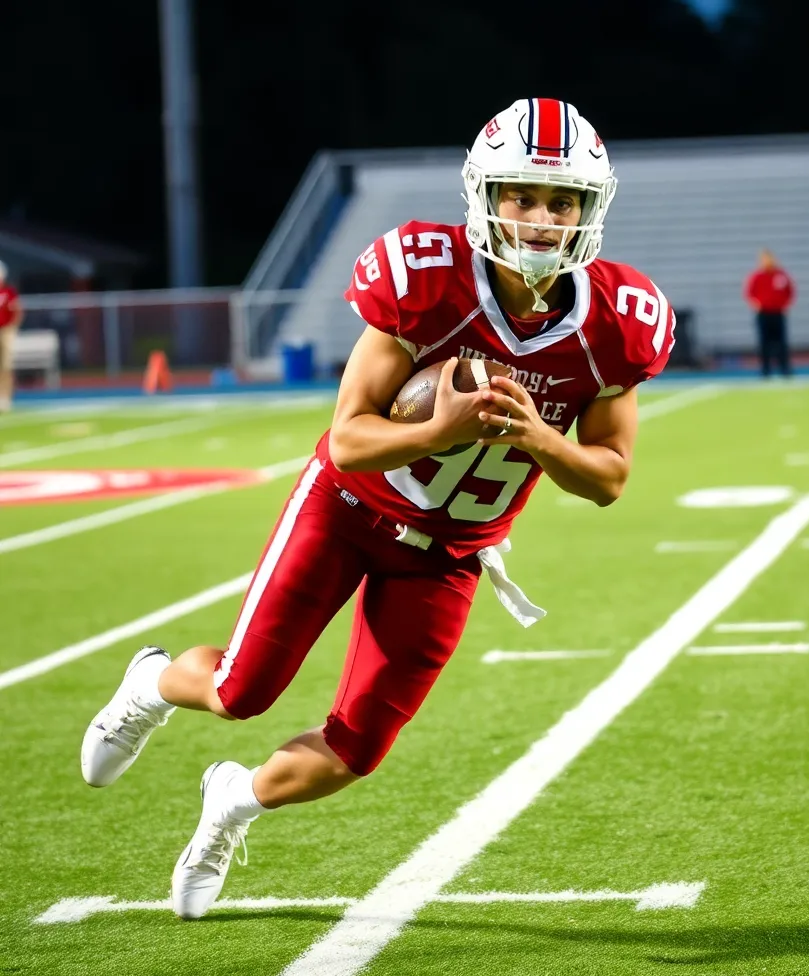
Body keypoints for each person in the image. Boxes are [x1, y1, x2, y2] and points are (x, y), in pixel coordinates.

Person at [80, 97, 675, 919]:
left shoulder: (616, 319)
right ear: (485, 196)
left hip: (451, 553)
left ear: (589, 209)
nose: (541, 218)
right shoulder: (426, 277)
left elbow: (608, 476)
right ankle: (151, 682)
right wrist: (441, 428)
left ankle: (233, 802)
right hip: (347, 510)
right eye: (521, 196)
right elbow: (349, 439)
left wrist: (541, 437)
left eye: (561, 201)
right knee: (239, 691)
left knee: (357, 750)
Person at [744, 249, 795, 378]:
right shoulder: (757, 276)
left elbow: (790, 292)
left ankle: (784, 370)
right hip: (763, 314)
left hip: (778, 313)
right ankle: (766, 371)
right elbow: (749, 294)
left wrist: (785, 305)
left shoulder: (781, 275)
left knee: (781, 343)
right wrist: (757, 304)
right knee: (764, 344)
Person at [0, 261, 24, 413]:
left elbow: (17, 311)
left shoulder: (8, 292)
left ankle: (6, 397)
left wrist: (11, 328)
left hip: (6, 330)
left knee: (6, 366)